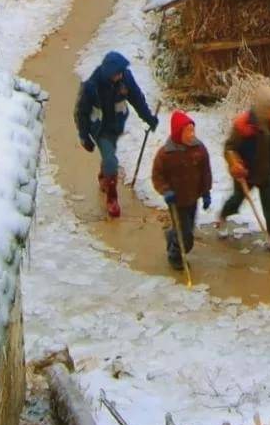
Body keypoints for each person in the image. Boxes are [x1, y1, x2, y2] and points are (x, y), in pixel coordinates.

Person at [74, 49, 157, 218]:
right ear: (108, 73)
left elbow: (136, 98)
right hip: (99, 128)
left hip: (116, 125)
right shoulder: (91, 86)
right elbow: (80, 112)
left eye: (121, 73)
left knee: (109, 155)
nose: (120, 76)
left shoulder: (125, 78)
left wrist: (148, 118)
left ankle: (105, 174)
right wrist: (84, 136)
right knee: (111, 158)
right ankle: (112, 198)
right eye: (116, 74)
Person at [218, 83, 270, 253]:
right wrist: (235, 163)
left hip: (265, 170)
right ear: (263, 108)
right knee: (236, 200)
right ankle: (222, 217)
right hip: (245, 172)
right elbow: (229, 148)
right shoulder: (243, 125)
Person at [151, 110, 212, 272]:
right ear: (178, 133)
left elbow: (205, 172)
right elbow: (157, 176)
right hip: (175, 200)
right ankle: (175, 256)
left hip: (193, 198)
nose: (192, 134)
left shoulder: (199, 149)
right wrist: (165, 191)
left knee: (187, 230)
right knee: (186, 238)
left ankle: (171, 236)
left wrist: (206, 192)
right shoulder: (165, 154)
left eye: (193, 130)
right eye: (188, 131)